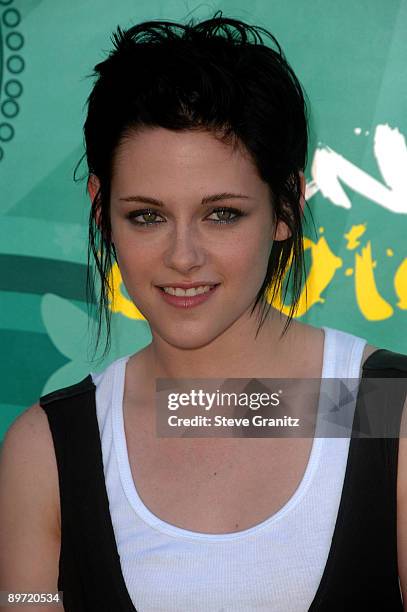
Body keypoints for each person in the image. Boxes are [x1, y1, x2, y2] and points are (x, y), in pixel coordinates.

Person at [1, 12, 406, 612]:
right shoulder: (50, 448)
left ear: (287, 207)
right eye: (147, 216)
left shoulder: (381, 411)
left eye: (222, 214)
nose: (182, 256)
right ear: (100, 209)